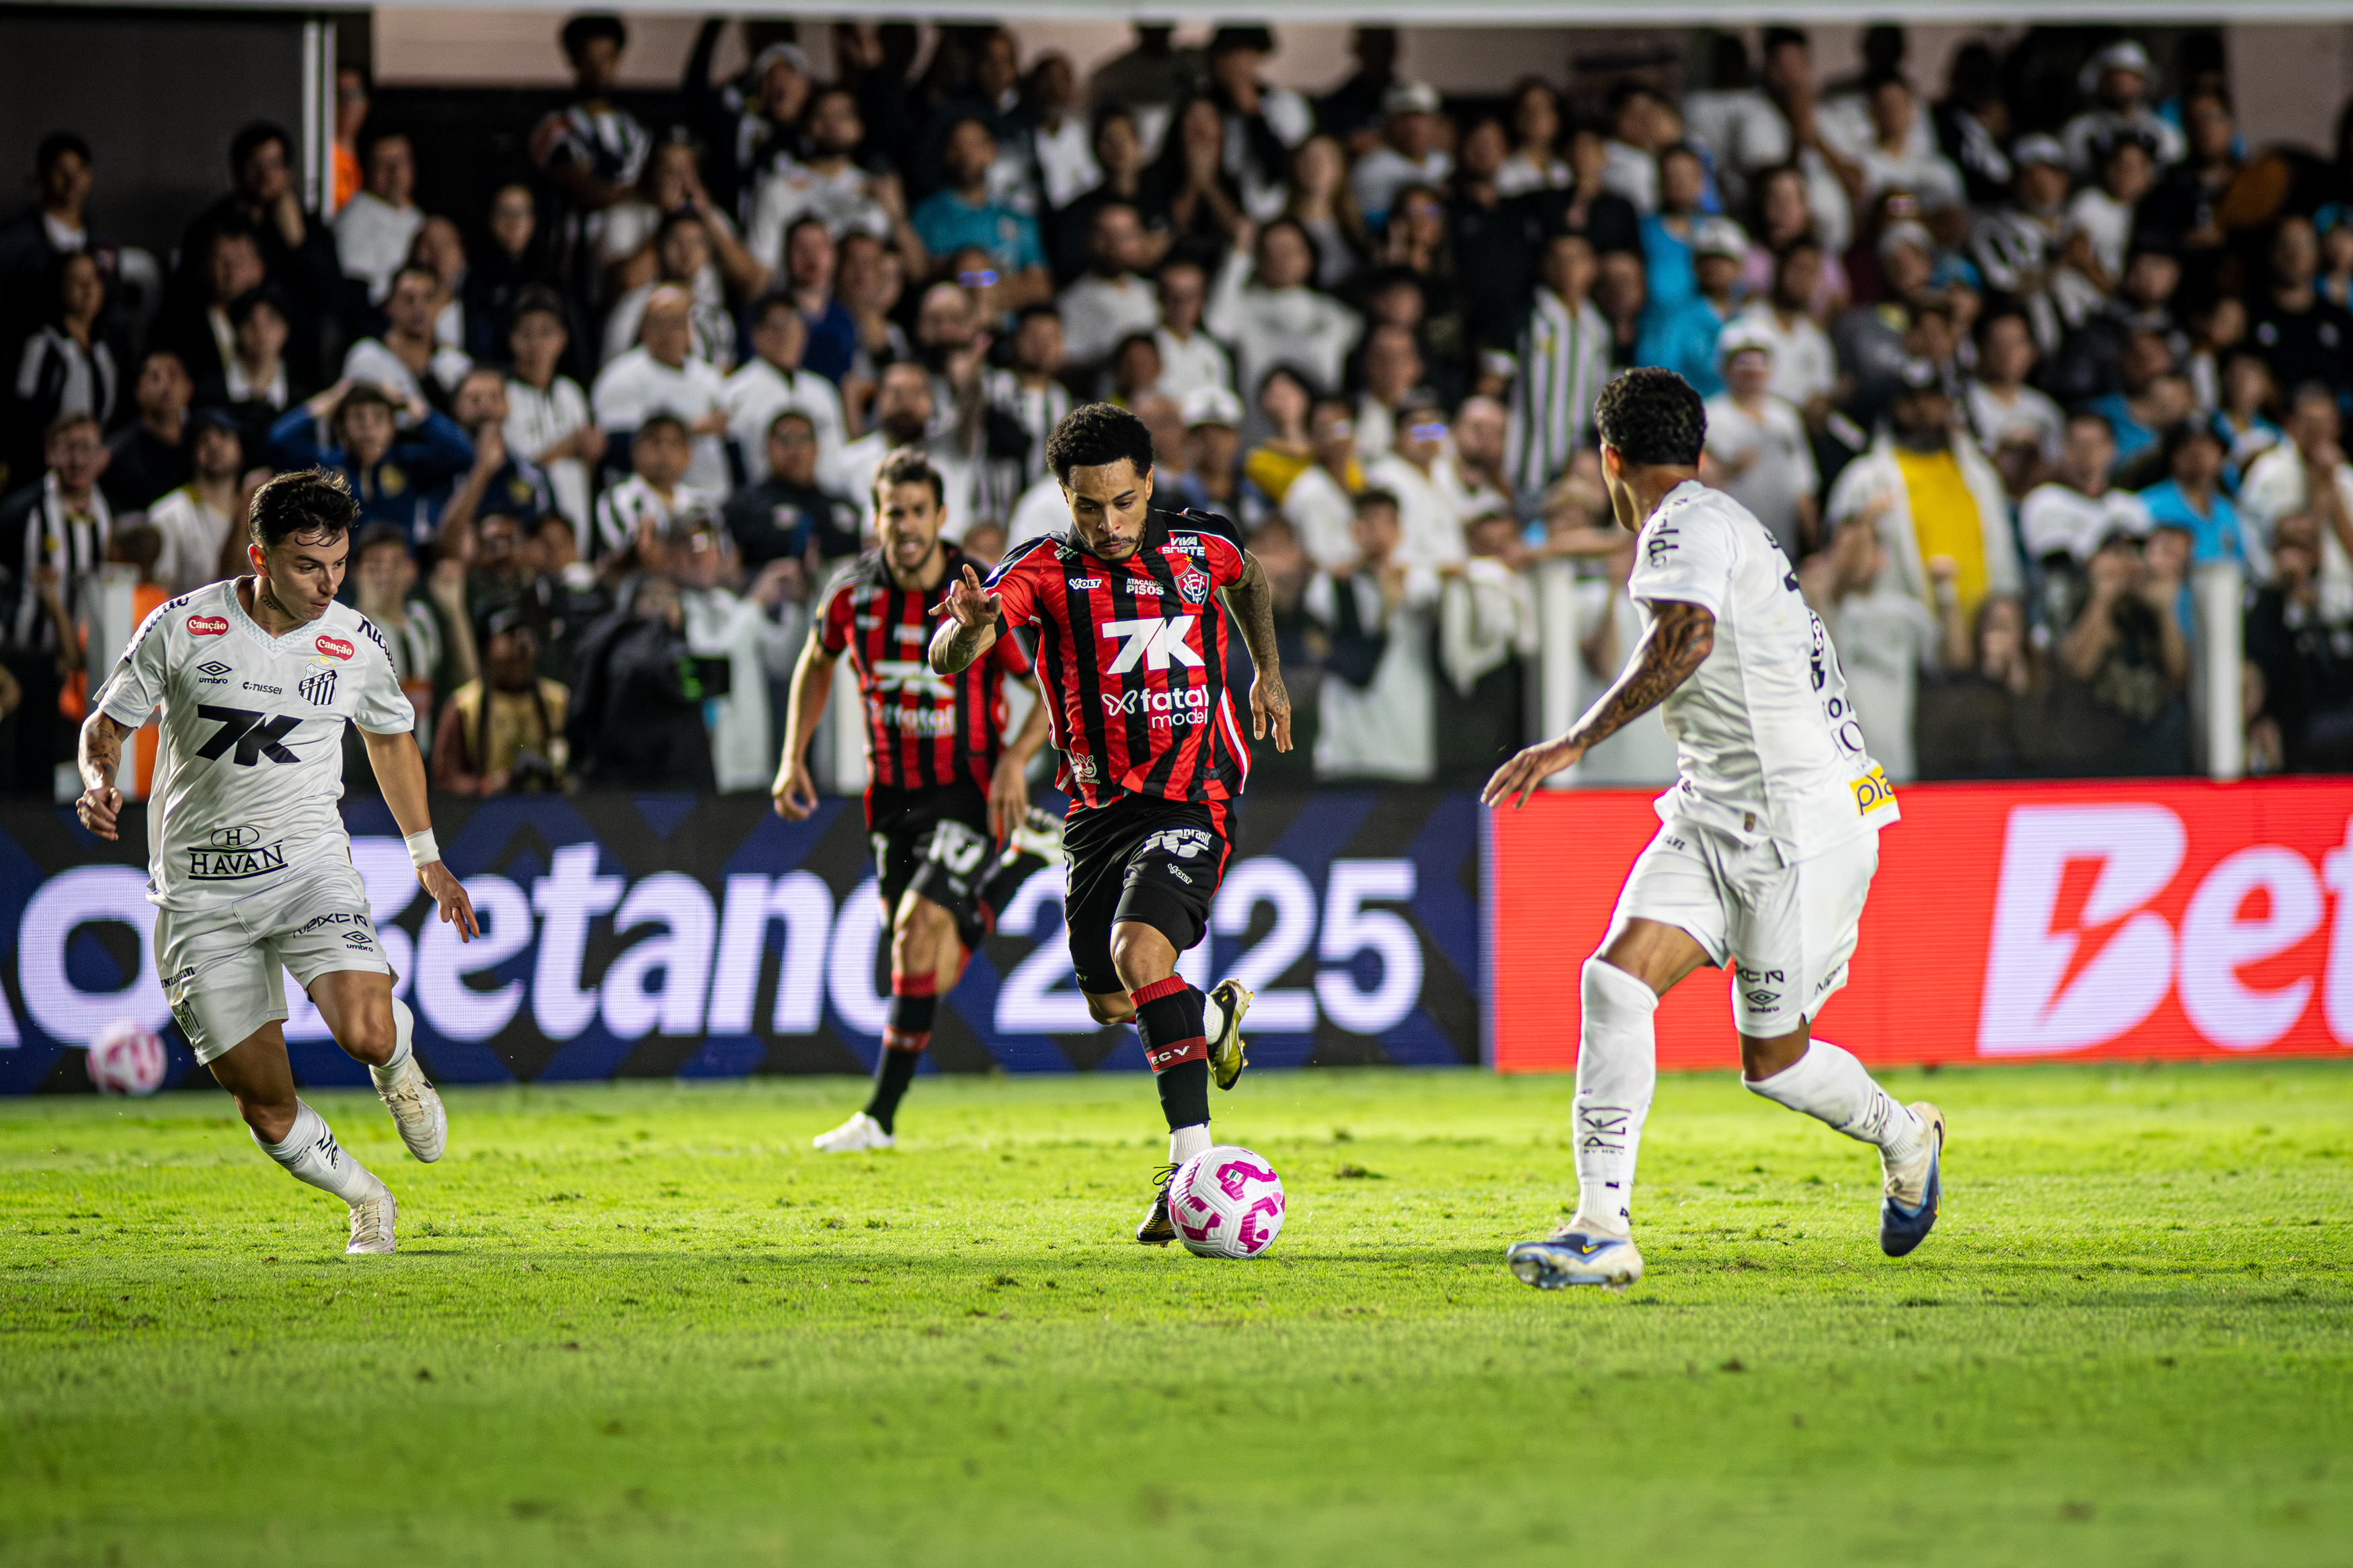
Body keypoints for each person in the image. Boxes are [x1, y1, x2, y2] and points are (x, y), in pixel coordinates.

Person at [1482, 368, 1940, 1290]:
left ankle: (1908, 1135)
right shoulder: (1721, 518)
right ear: (1695, 451)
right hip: (1714, 805)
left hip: (1796, 825)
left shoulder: (1682, 525)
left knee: (1773, 1061)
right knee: (1613, 984)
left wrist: (1574, 739)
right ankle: (1601, 1226)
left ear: (1611, 461)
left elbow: (1684, 639)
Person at [75, 468, 477, 1255]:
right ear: (259, 557)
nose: (328, 583)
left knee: (364, 1028)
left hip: (307, 868)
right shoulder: (183, 625)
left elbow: (390, 737)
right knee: (265, 1104)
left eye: (338, 563)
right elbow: (107, 723)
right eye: (306, 564)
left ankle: (396, 1063)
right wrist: (99, 782)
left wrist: (427, 858)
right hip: (196, 892)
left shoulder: (356, 641)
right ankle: (367, 1197)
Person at [930, 402, 1288, 1241]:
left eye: (1122, 502)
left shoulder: (1202, 543)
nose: (1107, 522)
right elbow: (955, 649)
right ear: (1063, 496)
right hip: (1095, 812)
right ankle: (1208, 1020)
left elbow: (1252, 580)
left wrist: (1267, 670)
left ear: (1148, 483)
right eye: (1087, 506)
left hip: (1192, 791)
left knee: (1138, 953)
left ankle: (1188, 1172)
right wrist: (970, 628)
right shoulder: (1041, 570)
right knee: (1106, 997)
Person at [774, 448, 1054, 1151]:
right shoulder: (850, 595)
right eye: (891, 510)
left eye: (916, 511)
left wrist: (1016, 763)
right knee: (931, 960)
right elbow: (816, 660)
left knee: (914, 927)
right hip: (889, 795)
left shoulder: (977, 594)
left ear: (940, 517)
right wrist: (791, 756)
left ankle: (878, 1117)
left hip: (965, 788)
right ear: (876, 516)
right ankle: (1021, 863)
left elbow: (1046, 686)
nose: (903, 524)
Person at [1823, 361, 2020, 626]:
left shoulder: (1980, 475)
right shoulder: (1865, 479)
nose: (1923, 409)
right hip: (1899, 637)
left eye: (1933, 399)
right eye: (1912, 401)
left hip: (1982, 636)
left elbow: (2004, 556)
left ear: (1949, 405)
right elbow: (1837, 567)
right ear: (1895, 407)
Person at [0, 412, 110, 790]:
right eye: (68, 449)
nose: (78, 460)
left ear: (103, 457)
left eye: (87, 449)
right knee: (19, 770)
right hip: (19, 660)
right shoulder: (21, 513)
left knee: (60, 769)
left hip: (77, 668)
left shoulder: (107, 513)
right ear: (50, 454)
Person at [1304, 489, 1437, 782]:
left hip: (1404, 750)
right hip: (1344, 748)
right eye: (1366, 522)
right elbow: (1316, 625)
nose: (1375, 531)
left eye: (1385, 522)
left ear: (1399, 530)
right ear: (1354, 530)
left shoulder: (1418, 577)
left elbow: (1427, 596)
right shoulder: (1331, 584)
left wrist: (1392, 585)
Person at [267, 380, 473, 547]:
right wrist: (330, 400)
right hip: (340, 584)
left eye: (378, 418)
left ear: (393, 428)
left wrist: (408, 403)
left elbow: (463, 453)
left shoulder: (407, 464)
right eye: (358, 418)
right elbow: (278, 443)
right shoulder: (324, 469)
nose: (369, 429)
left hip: (399, 580)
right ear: (340, 428)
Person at [590, 284, 731, 496]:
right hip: (645, 505)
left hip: (709, 498)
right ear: (644, 329)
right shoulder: (621, 377)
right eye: (658, 324)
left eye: (676, 324)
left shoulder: (708, 377)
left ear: (689, 329)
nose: (668, 333)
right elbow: (614, 449)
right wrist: (692, 428)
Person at [1205, 219, 1360, 409]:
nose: (1282, 259)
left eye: (1290, 249)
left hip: (1316, 430)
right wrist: (1239, 255)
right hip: (1258, 431)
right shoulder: (1245, 306)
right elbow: (1217, 325)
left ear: (1309, 256)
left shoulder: (1334, 314)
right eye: (1271, 251)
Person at [1505, 231, 1610, 509]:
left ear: (1593, 267)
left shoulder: (1598, 329)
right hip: (1521, 468)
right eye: (1559, 260)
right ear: (1545, 267)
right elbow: (1493, 388)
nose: (1568, 268)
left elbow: (1599, 405)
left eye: (1577, 260)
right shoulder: (1526, 318)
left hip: (1572, 473)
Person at [1703, 324, 1818, 559]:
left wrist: (1813, 546)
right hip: (1729, 548)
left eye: (1759, 363)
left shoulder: (1786, 418)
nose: (1753, 372)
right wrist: (1729, 470)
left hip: (1781, 548)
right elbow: (1697, 484)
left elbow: (1802, 487)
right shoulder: (1709, 417)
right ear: (1726, 368)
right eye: (1743, 364)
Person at [913, 118, 1051, 310]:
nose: (967, 153)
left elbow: (1040, 287)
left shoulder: (1018, 219)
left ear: (991, 150)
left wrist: (971, 284)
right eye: (957, 145)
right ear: (946, 154)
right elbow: (920, 277)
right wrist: (998, 280)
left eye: (975, 144)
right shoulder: (927, 213)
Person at [431, 605, 567, 796]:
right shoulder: (464, 707)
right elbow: (445, 779)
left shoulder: (559, 701)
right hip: (487, 815)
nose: (521, 641)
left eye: (527, 633)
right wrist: (485, 786)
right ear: (488, 647)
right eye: (510, 634)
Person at [501, 286, 600, 541]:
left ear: (562, 339)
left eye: (546, 333)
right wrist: (570, 445)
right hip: (528, 510)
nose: (536, 344)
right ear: (512, 339)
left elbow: (586, 462)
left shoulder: (572, 394)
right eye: (526, 333)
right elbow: (522, 465)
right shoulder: (504, 396)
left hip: (576, 504)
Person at [724, 293, 848, 491]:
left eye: (794, 324)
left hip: (821, 501)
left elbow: (837, 455)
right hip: (765, 503)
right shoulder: (736, 393)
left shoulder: (823, 390)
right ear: (755, 334)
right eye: (777, 327)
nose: (787, 334)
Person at [723, 408, 861, 573]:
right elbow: (729, 575)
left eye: (803, 439)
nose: (794, 450)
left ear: (816, 447)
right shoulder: (744, 506)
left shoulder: (843, 507)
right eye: (785, 440)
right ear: (767, 448)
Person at [343, 264, 472, 412]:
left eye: (429, 298)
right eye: (409, 299)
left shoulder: (453, 362)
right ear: (389, 306)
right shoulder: (367, 357)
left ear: (441, 305)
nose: (419, 308)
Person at [590, 411, 717, 561]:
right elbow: (629, 553)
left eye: (673, 444)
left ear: (687, 455)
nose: (664, 452)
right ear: (635, 450)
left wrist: (690, 544)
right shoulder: (618, 498)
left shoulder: (701, 502)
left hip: (697, 580)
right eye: (655, 442)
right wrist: (687, 543)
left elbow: (715, 547)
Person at [147, 411, 251, 594]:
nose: (214, 444)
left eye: (224, 435)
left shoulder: (258, 512)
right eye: (203, 440)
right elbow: (159, 592)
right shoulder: (169, 515)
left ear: (241, 448)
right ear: (192, 452)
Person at [1058, 203, 1163, 376]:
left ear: (1141, 238)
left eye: (1125, 235)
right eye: (1104, 234)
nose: (1115, 244)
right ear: (1087, 238)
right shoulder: (1072, 302)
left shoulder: (1154, 293)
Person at [333, 130, 424, 307]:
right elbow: (359, 293)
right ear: (367, 170)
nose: (395, 172)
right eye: (384, 164)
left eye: (401, 162)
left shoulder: (416, 217)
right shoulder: (355, 218)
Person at [103, 351, 195, 515]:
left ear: (189, 388)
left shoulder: (200, 446)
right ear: (138, 391)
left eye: (173, 376)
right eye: (154, 377)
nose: (165, 386)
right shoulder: (119, 455)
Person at [1351, 82, 1452, 231]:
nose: (1414, 127)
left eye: (1421, 118)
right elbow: (1370, 223)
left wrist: (1433, 208)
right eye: (1404, 118)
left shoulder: (1444, 163)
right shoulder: (1371, 169)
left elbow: (1443, 214)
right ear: (1389, 122)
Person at [1283, 395, 1366, 572]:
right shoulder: (1309, 491)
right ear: (1311, 438)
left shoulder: (1356, 485)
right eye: (1325, 430)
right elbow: (1323, 562)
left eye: (1342, 428)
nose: (1336, 437)